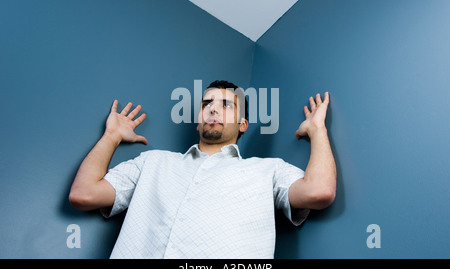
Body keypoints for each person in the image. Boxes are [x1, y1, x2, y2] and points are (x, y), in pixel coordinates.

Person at [69, 80, 336, 258]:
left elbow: (318, 192)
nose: (212, 110)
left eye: (226, 105)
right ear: (198, 122)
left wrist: (317, 129)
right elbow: (84, 194)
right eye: (206, 104)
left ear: (243, 124)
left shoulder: (268, 171)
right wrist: (112, 136)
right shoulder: (153, 162)